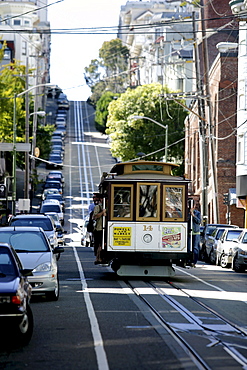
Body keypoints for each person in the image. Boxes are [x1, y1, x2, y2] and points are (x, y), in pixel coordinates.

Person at [93, 194, 106, 264]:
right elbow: (94, 217)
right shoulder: (98, 207)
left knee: (102, 244)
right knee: (99, 244)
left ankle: (100, 257)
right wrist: (102, 212)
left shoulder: (106, 207)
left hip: (104, 228)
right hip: (99, 228)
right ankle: (98, 258)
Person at [188, 201, 201, 267]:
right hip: (189, 233)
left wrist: (193, 215)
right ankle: (189, 261)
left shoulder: (198, 213)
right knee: (188, 247)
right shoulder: (187, 213)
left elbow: (199, 221)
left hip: (196, 233)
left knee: (195, 248)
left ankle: (194, 262)